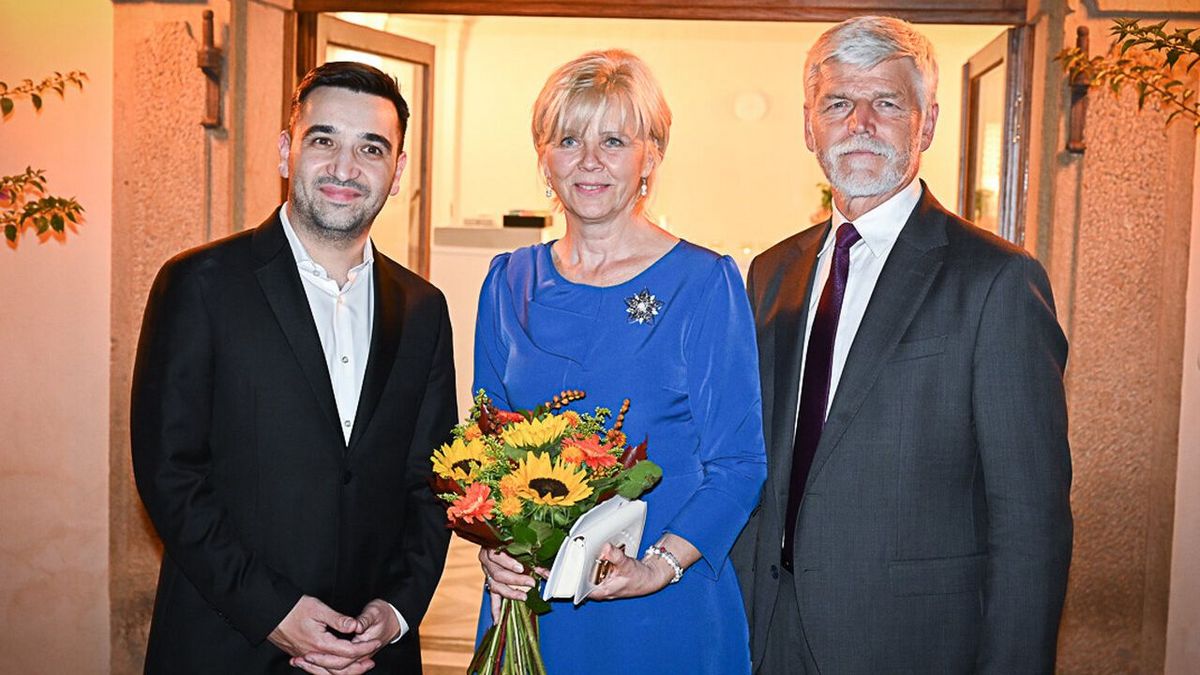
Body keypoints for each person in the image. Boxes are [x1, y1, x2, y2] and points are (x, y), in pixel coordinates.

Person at [730, 16, 1073, 674]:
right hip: (769, 632)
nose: (859, 123)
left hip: (912, 644)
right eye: (837, 103)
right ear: (809, 126)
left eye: (886, 103)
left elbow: (1030, 520)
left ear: (927, 123)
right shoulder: (772, 272)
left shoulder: (996, 280)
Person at [131, 61, 456, 674]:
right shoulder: (199, 285)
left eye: (371, 148)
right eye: (323, 139)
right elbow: (170, 475)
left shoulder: (423, 309)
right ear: (286, 151)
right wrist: (272, 611)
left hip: (372, 655)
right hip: (228, 643)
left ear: (397, 172)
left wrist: (398, 609)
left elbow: (433, 481)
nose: (344, 168)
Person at [474, 49, 767, 674]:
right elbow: (483, 453)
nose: (589, 161)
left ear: (650, 156)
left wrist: (658, 566)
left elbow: (740, 466)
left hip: (664, 605)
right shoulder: (508, 282)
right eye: (568, 139)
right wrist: (493, 548)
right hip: (532, 605)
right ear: (543, 157)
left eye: (613, 140)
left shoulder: (703, 283)